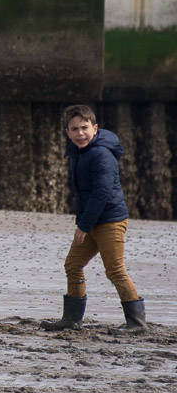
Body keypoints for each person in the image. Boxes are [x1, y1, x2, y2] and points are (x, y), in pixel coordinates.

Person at [41, 105, 147, 335]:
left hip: (110, 221)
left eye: (85, 128)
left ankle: (137, 324)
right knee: (72, 265)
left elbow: (102, 192)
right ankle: (71, 319)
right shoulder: (77, 152)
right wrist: (85, 223)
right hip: (90, 221)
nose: (80, 133)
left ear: (95, 128)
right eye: (74, 129)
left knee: (115, 270)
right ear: (67, 132)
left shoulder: (101, 154)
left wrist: (84, 225)